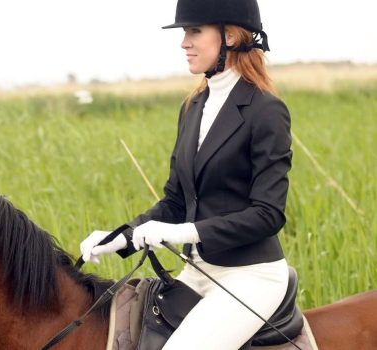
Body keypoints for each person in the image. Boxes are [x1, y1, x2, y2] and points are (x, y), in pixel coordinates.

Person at [79, 0, 293, 349]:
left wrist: (181, 233)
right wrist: (122, 237)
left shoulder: (265, 110)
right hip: (198, 271)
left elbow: (268, 214)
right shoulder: (194, 106)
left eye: (194, 31)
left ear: (230, 36)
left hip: (251, 275)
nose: (184, 43)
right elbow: (176, 200)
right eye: (184, 33)